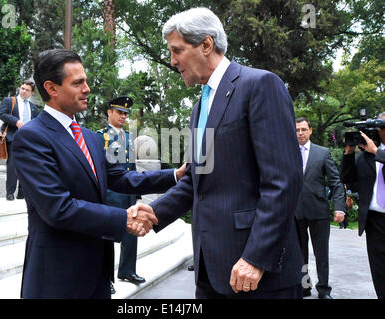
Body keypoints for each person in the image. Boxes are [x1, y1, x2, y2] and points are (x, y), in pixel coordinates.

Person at [130, 7, 304, 299]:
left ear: (206, 45)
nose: (173, 61)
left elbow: (284, 180)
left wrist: (256, 257)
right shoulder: (200, 107)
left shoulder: (259, 85)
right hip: (211, 273)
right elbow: (199, 180)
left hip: (256, 274)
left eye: (177, 50)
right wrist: (156, 211)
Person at [12, 49, 184, 299]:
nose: (87, 89)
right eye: (78, 82)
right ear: (52, 88)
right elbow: (58, 208)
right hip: (57, 277)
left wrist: (175, 175)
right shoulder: (32, 137)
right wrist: (122, 218)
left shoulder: (90, 138)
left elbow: (122, 178)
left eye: (86, 81)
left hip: (97, 273)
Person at [96, 96, 144, 294]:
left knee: (132, 232)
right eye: (119, 112)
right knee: (107, 238)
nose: (123, 116)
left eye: (125, 113)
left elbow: (131, 167)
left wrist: (137, 193)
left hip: (128, 194)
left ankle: (127, 271)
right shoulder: (100, 136)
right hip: (110, 194)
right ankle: (105, 278)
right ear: (109, 113)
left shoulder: (129, 137)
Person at [294, 117, 345, 299]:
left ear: (311, 130)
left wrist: (339, 208)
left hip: (318, 211)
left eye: (303, 129)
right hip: (295, 212)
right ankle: (304, 287)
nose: (300, 133)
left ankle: (324, 290)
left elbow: (336, 183)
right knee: (299, 254)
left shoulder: (323, 153)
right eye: (297, 130)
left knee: (321, 253)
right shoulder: (288, 152)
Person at [341, 111, 385, 299]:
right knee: (380, 271)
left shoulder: (375, 152)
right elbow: (347, 179)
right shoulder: (365, 156)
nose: (379, 130)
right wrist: (349, 153)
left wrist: (377, 152)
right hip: (375, 221)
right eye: (379, 126)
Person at [0, 80, 39, 201]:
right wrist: (16, 121)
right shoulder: (10, 101)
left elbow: (36, 123)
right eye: (22, 88)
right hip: (13, 136)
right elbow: (1, 114)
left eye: (27, 90)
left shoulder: (33, 107)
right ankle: (10, 192)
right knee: (12, 165)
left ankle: (22, 193)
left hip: (28, 140)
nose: (24, 91)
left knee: (26, 166)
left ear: (31, 92)